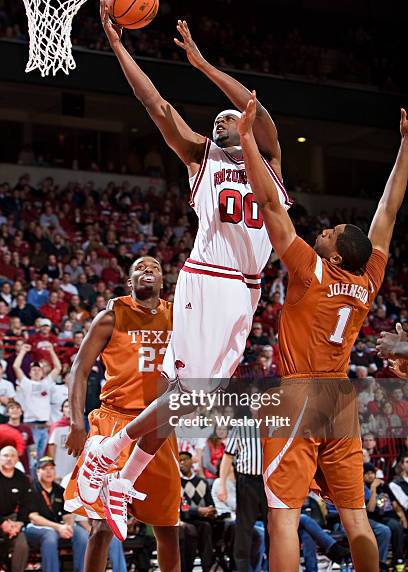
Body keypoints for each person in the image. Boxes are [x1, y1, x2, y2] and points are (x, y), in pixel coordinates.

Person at [76, 5, 289, 532]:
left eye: (229, 119)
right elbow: (157, 104)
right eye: (216, 123)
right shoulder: (204, 161)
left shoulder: (272, 165)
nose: (222, 123)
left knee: (185, 403)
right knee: (190, 397)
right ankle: (108, 453)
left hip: (246, 292)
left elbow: (260, 115)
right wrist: (120, 46)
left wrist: (203, 64)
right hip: (209, 280)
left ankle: (123, 484)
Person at [236, 94, 408, 572]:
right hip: (341, 399)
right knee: (355, 514)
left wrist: (247, 142)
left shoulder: (312, 270)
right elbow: (388, 209)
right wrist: (405, 147)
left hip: (298, 393)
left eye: (330, 233)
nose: (324, 231)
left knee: (283, 513)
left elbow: (269, 206)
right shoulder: (367, 279)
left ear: (334, 252)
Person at [64, 256, 180, 572]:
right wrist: (77, 421)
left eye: (155, 267)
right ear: (129, 280)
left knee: (168, 525)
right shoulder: (111, 316)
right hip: (114, 421)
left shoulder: (179, 315)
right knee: (100, 526)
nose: (148, 269)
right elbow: (78, 369)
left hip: (159, 428)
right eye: (140, 267)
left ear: (163, 281)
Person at [218, 413, 268, 572]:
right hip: (247, 481)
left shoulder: (277, 425)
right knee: (243, 529)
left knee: (274, 530)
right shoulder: (241, 426)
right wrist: (222, 484)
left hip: (271, 481)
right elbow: (228, 456)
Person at [25, 457, 88, 572]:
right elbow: (33, 517)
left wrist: (68, 526)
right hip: (34, 528)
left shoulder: (59, 490)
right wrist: (59, 527)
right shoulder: (31, 489)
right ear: (37, 472)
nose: (49, 472)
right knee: (50, 535)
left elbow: (68, 514)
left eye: (51, 469)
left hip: (58, 527)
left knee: (82, 535)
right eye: (45, 469)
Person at [13, 344, 61, 458]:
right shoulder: (26, 383)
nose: (36, 371)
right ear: (29, 373)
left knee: (41, 459)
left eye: (38, 369)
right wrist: (22, 351)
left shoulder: (47, 382)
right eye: (33, 369)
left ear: (42, 372)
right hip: (31, 427)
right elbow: (16, 367)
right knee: (32, 459)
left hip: (44, 427)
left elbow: (58, 368)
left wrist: (51, 351)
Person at [179, 451, 217, 572]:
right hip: (184, 520)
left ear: (192, 462)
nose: (182, 463)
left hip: (201, 520)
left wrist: (211, 511)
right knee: (191, 530)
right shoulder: (177, 482)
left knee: (206, 527)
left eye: (184, 460)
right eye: (179, 460)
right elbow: (182, 509)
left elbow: (210, 503)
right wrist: (199, 510)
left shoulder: (202, 482)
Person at [364, 463, 406, 572]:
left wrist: (402, 517)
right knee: (391, 528)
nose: (371, 476)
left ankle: (398, 562)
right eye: (367, 474)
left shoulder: (383, 486)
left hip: (388, 516)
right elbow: (371, 509)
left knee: (398, 526)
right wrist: (373, 488)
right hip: (374, 518)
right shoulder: (364, 488)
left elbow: (394, 503)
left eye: (372, 473)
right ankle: (389, 563)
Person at [0, 446, 31, 572]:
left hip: (13, 519)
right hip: (1, 520)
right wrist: (2, 523)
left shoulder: (22, 478)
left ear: (17, 459)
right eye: (5, 455)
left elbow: (26, 505)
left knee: (22, 544)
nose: (9, 458)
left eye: (12, 456)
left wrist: (19, 524)